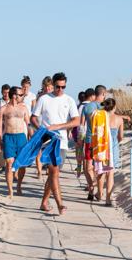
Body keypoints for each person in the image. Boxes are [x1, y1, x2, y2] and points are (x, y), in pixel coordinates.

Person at [31, 72, 80, 215]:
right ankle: (60, 204)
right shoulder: (44, 99)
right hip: (47, 140)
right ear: (52, 85)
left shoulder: (69, 100)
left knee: (54, 174)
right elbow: (33, 117)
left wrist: (57, 127)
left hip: (63, 142)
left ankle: (44, 202)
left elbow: (76, 121)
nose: (60, 90)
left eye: (63, 87)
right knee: (54, 172)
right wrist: (42, 129)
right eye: (57, 87)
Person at [0, 86, 29, 198]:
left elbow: (29, 125)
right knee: (9, 164)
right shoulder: (3, 109)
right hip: (8, 137)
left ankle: (19, 185)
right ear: (14, 95)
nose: (22, 97)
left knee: (22, 165)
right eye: (20, 95)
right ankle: (10, 191)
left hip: (21, 138)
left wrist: (33, 139)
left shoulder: (24, 108)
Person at [96, 98, 130, 206]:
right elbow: (121, 136)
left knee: (101, 171)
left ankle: (99, 192)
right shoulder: (119, 119)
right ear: (114, 107)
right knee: (110, 173)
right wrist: (115, 142)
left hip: (101, 147)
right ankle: (108, 198)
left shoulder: (100, 117)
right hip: (113, 148)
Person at [81, 85, 106, 200]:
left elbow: (82, 126)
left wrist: (79, 141)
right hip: (101, 142)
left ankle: (91, 188)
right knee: (100, 168)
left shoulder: (86, 107)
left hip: (89, 140)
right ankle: (100, 193)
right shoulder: (104, 108)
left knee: (87, 168)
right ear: (103, 94)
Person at [35, 76, 54, 179]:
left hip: (50, 127)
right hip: (39, 126)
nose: (47, 89)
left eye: (49, 87)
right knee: (38, 150)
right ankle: (39, 171)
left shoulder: (54, 97)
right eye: (46, 86)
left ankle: (47, 168)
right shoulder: (40, 97)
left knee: (49, 150)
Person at [75, 88, 95, 180]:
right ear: (91, 96)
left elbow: (78, 122)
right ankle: (85, 171)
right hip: (89, 133)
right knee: (88, 157)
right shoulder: (93, 106)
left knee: (79, 153)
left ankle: (79, 169)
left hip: (80, 132)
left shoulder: (79, 107)